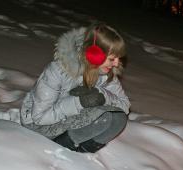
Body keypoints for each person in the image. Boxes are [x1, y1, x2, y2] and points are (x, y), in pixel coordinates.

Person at [20, 22, 130, 153]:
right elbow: (40, 118)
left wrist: (102, 95)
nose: (117, 63)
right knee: (104, 117)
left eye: (118, 58)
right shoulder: (58, 70)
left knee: (118, 118)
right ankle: (60, 146)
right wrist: (78, 103)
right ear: (94, 54)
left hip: (68, 119)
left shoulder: (106, 73)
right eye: (112, 59)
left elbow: (124, 105)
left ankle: (82, 151)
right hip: (38, 125)